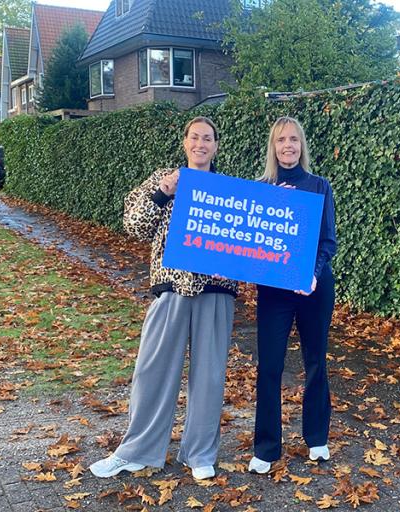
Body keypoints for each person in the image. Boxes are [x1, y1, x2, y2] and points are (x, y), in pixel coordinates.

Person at [90, 117, 238, 481]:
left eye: (208, 138)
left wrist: (231, 261)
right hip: (171, 286)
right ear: (185, 142)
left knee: (209, 375)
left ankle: (200, 453)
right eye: (195, 137)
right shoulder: (163, 178)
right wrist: (163, 193)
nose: (200, 144)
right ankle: (138, 451)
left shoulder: (229, 189)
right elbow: (134, 226)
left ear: (216, 146)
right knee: (152, 370)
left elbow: (246, 244)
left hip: (215, 292)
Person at [249, 116, 337, 474]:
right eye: (281, 140)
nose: (288, 145)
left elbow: (327, 240)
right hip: (274, 292)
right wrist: (272, 203)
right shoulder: (261, 188)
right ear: (273, 147)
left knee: (316, 362)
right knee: (269, 366)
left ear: (302, 146)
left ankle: (317, 438)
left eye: (294, 140)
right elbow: (252, 245)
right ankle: (266, 448)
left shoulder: (319, 186)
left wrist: (312, 275)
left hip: (313, 288)